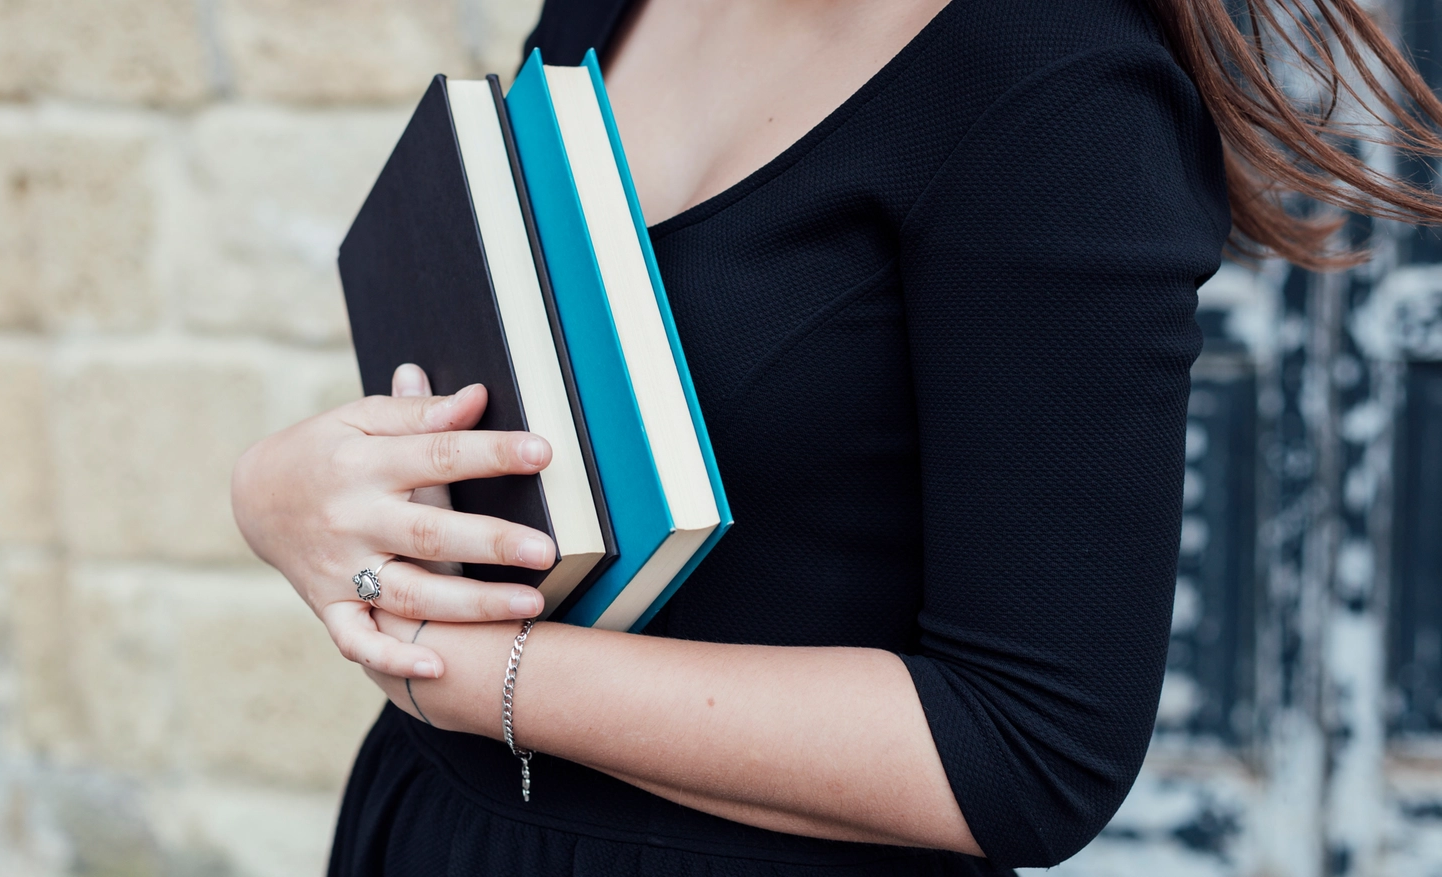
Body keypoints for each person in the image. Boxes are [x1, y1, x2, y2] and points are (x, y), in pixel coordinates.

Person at [230, 0, 1442, 873]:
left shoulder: (1057, 88)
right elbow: (526, 424)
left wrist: (473, 671)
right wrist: (279, 492)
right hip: (432, 823)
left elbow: (1029, 747)